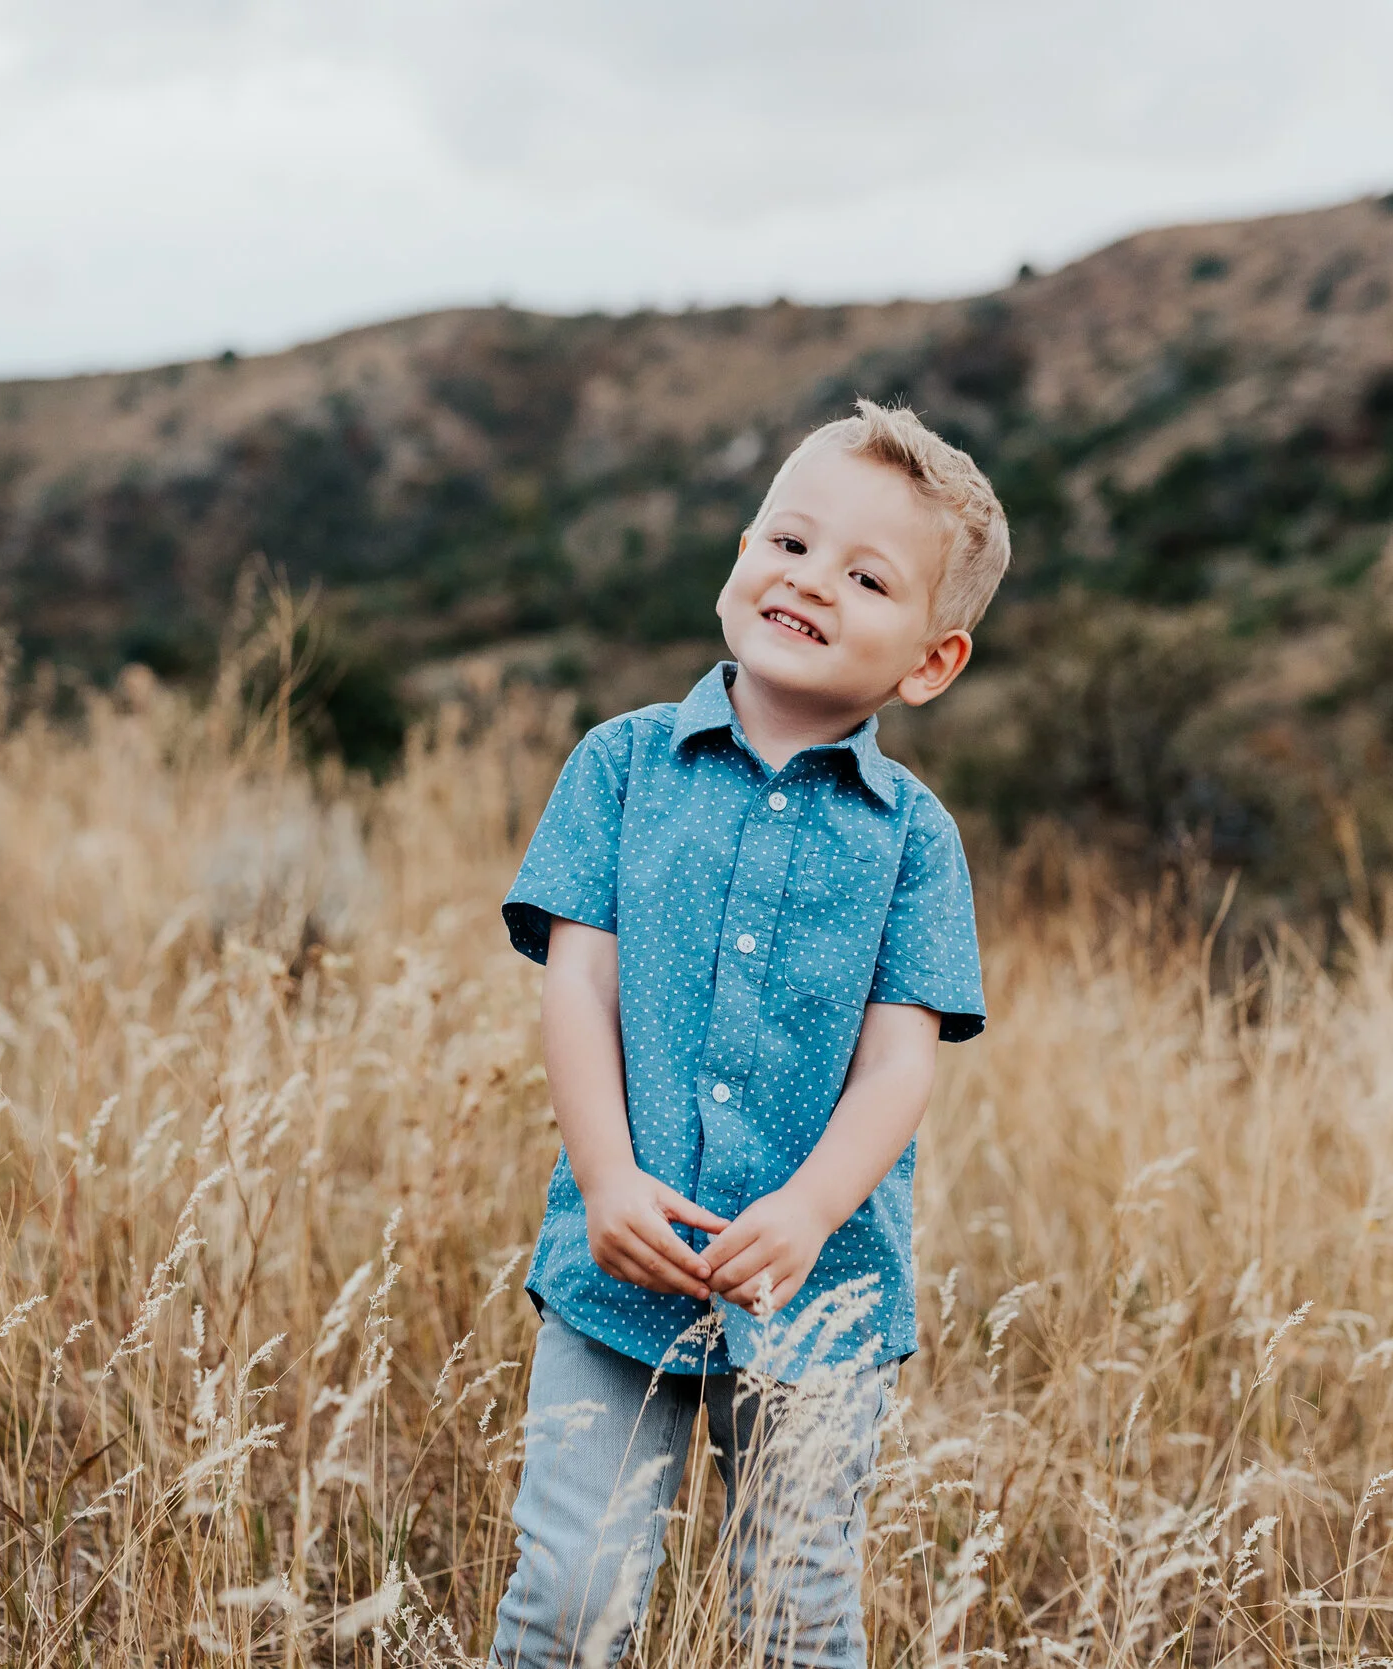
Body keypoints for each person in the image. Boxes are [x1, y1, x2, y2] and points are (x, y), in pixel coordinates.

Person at [490, 399, 1010, 1667]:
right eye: (788, 542)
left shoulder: (913, 839)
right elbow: (578, 988)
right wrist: (607, 1179)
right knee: (571, 1591)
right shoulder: (620, 766)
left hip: (821, 1287)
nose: (810, 580)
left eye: (866, 577)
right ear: (740, 556)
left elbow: (899, 1061)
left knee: (797, 1613)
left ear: (930, 662)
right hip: (622, 1259)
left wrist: (814, 1210)